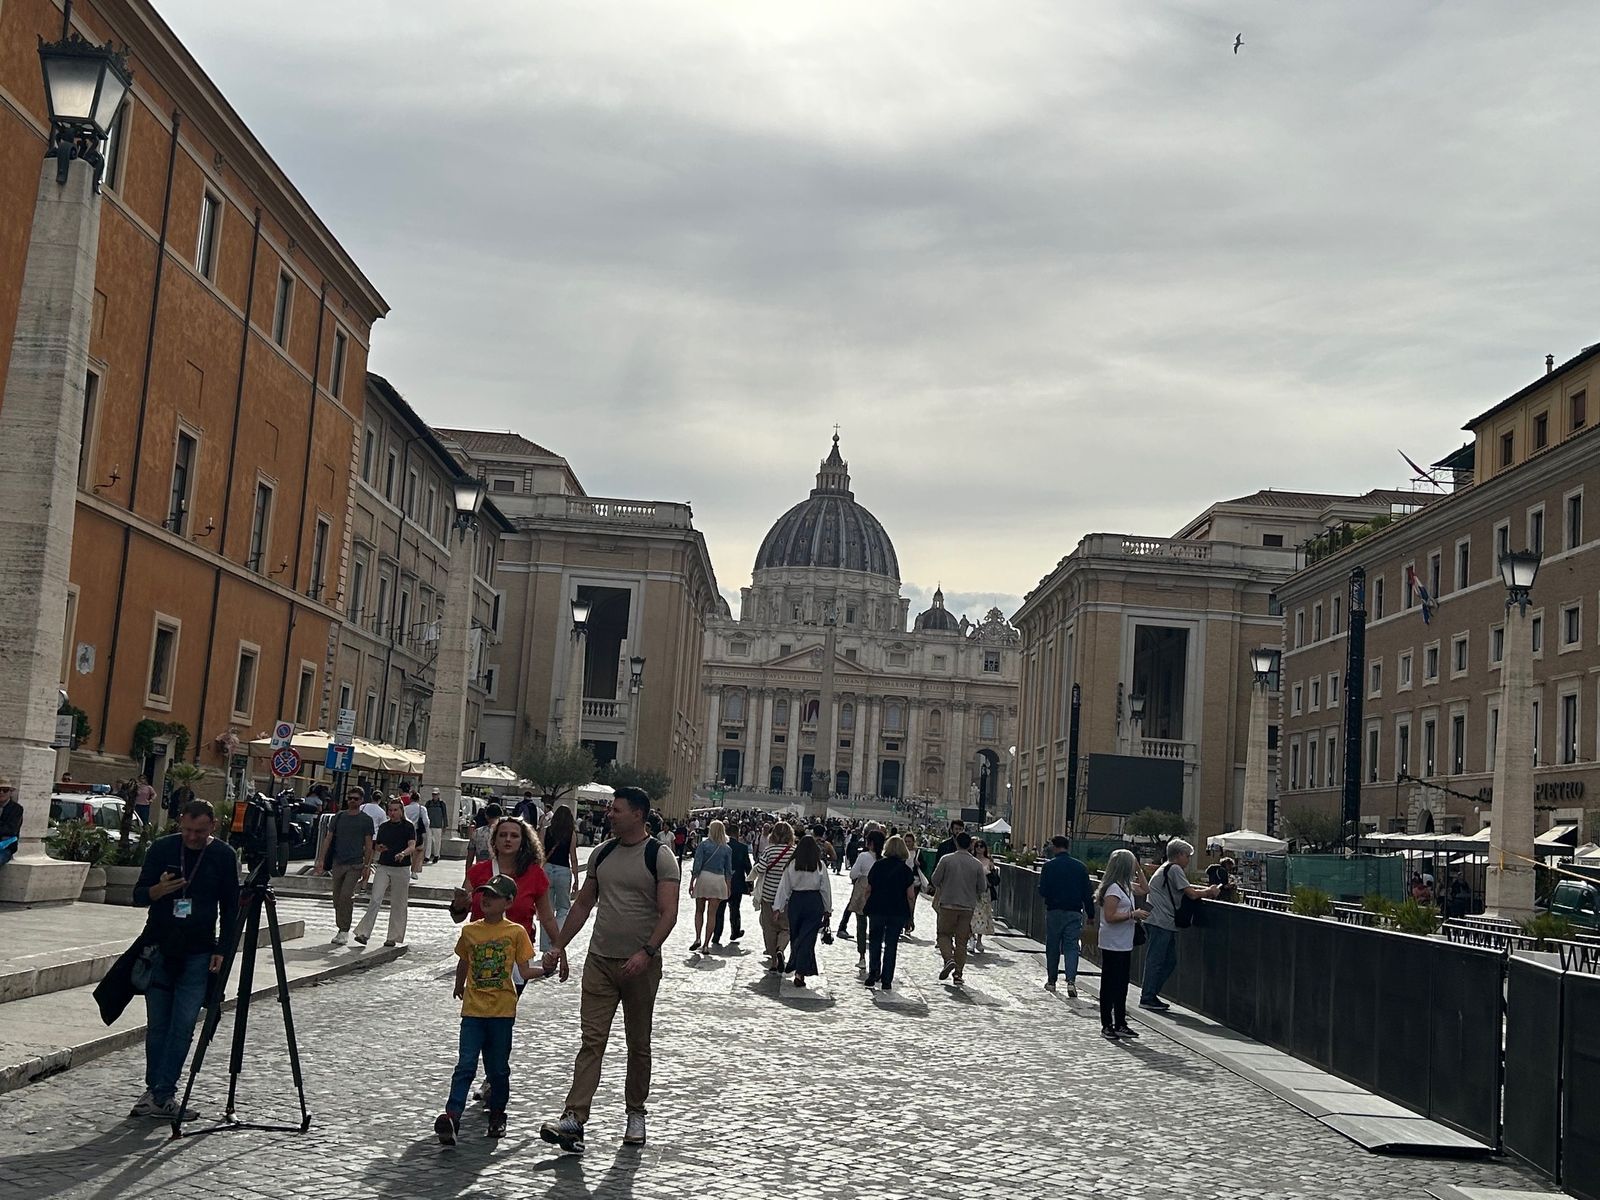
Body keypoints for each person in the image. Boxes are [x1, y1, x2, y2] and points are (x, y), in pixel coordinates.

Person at [540, 787, 680, 1154]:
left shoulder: (660, 856)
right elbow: (584, 904)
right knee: (592, 1041)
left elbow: (669, 912)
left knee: (638, 1043)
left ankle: (636, 1112)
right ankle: (574, 1118)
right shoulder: (602, 853)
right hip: (600, 960)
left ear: (638, 814)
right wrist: (560, 944)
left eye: (617, 810)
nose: (610, 814)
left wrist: (648, 951)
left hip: (641, 965)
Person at [128, 799, 240, 1120]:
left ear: (212, 827)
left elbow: (230, 908)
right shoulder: (163, 848)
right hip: (159, 948)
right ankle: (158, 1092)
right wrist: (157, 891)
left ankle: (161, 1093)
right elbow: (137, 895)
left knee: (184, 1024)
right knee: (158, 1025)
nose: (192, 837)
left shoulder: (222, 855)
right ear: (180, 823)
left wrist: (223, 950)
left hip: (200, 951)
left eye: (199, 831)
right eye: (187, 830)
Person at [434, 874, 552, 1144]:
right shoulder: (470, 931)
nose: (486, 899)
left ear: (509, 902)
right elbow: (464, 958)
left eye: (494, 896)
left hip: (502, 1011)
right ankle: (452, 1116)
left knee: (497, 1068)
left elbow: (523, 970)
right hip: (473, 1011)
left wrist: (545, 970)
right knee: (465, 1064)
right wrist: (458, 984)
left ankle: (498, 1113)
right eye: (484, 894)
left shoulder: (516, 933)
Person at [1139, 838, 1219, 1012]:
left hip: (1159, 920)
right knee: (1158, 960)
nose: (1188, 860)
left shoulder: (1165, 868)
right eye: (1187, 856)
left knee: (1167, 960)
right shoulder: (1174, 869)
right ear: (1180, 855)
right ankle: (1147, 996)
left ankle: (1150, 994)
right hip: (1161, 921)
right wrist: (1210, 891)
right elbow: (1191, 894)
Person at [1096, 849, 1147, 1040]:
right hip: (1112, 943)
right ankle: (1107, 1024)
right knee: (1110, 984)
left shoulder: (1125, 886)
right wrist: (1132, 915)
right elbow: (1110, 916)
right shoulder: (1114, 889)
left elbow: (1145, 889)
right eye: (1133, 863)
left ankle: (1120, 1022)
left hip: (1124, 942)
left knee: (1122, 984)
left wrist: (1140, 870)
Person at [316, 786, 374, 945]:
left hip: (355, 863)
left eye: (355, 798)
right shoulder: (339, 817)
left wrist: (367, 865)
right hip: (338, 862)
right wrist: (321, 859)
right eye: (349, 798)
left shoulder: (366, 820)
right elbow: (328, 838)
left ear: (361, 801)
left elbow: (369, 844)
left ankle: (344, 929)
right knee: (336, 897)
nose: (352, 801)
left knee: (346, 896)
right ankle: (340, 926)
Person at [1038, 836, 1095, 996]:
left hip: (1054, 911)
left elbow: (1042, 891)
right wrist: (1091, 914)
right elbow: (1087, 893)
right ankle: (1071, 981)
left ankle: (1051, 981)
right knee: (1071, 947)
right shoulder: (1080, 867)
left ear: (1055, 847)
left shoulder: (1049, 866)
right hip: (1074, 912)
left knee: (1053, 946)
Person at [355, 798, 416, 947]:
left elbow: (412, 845)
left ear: (401, 811)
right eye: (390, 810)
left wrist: (403, 853)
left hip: (401, 868)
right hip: (384, 865)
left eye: (396, 810)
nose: (392, 813)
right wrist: (379, 848)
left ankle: (393, 937)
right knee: (375, 899)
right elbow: (377, 845)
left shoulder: (408, 826)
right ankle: (363, 933)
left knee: (398, 902)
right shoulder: (383, 827)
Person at [930, 832, 988, 986]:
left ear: (956, 843)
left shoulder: (946, 859)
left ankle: (948, 959)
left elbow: (935, 880)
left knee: (943, 935)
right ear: (970, 845)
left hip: (948, 904)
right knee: (962, 941)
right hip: (967, 907)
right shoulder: (976, 864)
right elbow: (982, 887)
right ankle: (958, 974)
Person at [775, 835, 831, 988]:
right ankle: (800, 971)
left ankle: (794, 962)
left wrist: (778, 907)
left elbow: (784, 887)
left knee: (796, 935)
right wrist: (828, 908)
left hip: (796, 901)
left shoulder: (792, 864)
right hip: (814, 901)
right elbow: (825, 889)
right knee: (808, 937)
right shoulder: (819, 866)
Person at [863, 833, 917, 990]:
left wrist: (867, 904)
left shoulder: (878, 866)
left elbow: (868, 889)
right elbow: (910, 896)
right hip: (897, 911)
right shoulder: (906, 870)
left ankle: (873, 973)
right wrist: (910, 916)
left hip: (877, 909)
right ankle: (887, 979)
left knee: (875, 942)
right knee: (891, 945)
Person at [755, 821, 797, 972]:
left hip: (769, 895)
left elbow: (760, 869)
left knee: (769, 928)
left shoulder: (769, 850)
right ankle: (781, 949)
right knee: (786, 927)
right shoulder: (794, 851)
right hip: (787, 896)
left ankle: (773, 961)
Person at [688, 819, 733, 953]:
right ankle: (707, 944)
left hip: (704, 877)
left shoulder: (703, 845)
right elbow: (728, 870)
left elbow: (697, 864)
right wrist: (728, 886)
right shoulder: (727, 848)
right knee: (712, 914)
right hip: (718, 879)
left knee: (699, 910)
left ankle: (697, 938)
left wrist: (692, 881)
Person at [541, 804, 579, 952]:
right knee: (563, 908)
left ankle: (545, 946)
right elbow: (573, 858)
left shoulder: (546, 831)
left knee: (547, 910)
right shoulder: (571, 834)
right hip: (563, 871)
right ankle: (557, 938)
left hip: (546, 869)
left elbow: (540, 852)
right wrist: (576, 878)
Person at [841, 827, 879, 965]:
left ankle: (862, 956)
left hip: (863, 889)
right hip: (879, 892)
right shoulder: (884, 858)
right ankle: (876, 958)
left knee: (861, 925)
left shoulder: (864, 856)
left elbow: (853, 874)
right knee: (876, 927)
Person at [712, 824, 754, 944]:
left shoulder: (720, 846)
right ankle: (735, 932)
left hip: (721, 882)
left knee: (719, 910)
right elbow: (748, 867)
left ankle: (716, 934)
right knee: (735, 908)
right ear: (737, 833)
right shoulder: (742, 848)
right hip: (737, 883)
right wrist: (750, 884)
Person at [970, 839, 998, 954]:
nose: (979, 848)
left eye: (981, 846)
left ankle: (979, 940)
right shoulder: (971, 860)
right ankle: (971, 938)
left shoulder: (989, 862)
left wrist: (990, 875)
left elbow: (995, 879)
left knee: (983, 917)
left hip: (985, 893)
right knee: (971, 916)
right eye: (977, 846)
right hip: (972, 891)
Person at [401, 786, 429, 881]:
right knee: (418, 851)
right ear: (418, 799)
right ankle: (414, 871)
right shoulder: (422, 809)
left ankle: (405, 869)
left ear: (410, 799)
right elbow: (426, 822)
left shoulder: (405, 808)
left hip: (406, 831)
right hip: (417, 831)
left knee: (407, 850)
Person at [0, 778, 22, 867]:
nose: (1, 792)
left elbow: (11, 830)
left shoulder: (16, 809)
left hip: (5, 848)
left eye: (5, 790)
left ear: (10, 792)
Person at [425, 789, 447, 863]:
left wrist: (445, 825)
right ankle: (427, 856)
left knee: (437, 842)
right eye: (433, 794)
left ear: (438, 795)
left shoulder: (441, 804)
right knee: (428, 841)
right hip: (429, 825)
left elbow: (444, 815)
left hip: (438, 825)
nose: (434, 796)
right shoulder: (428, 803)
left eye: (436, 794)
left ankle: (436, 855)